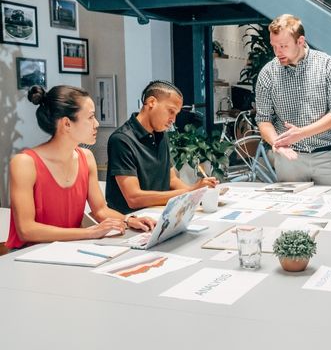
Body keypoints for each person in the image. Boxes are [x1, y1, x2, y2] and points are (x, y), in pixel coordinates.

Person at [7, 85, 156, 250]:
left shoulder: (86, 157)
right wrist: (89, 233)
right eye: (91, 117)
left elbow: (100, 210)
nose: (97, 123)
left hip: (71, 250)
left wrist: (128, 220)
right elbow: (27, 230)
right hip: (27, 258)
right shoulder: (24, 163)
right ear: (67, 124)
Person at [255, 14, 331, 185]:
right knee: (290, 210)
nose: (278, 53)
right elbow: (263, 119)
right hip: (288, 158)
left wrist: (301, 133)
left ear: (300, 41)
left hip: (325, 156)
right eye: (274, 46)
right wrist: (277, 142)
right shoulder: (268, 73)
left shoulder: (327, 64)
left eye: (283, 46)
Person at [106, 80, 217, 214]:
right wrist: (190, 191)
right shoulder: (122, 140)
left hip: (160, 215)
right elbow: (133, 198)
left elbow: (172, 180)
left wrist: (197, 195)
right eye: (171, 111)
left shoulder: (160, 135)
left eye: (176, 114)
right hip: (131, 222)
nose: (173, 120)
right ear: (152, 102)